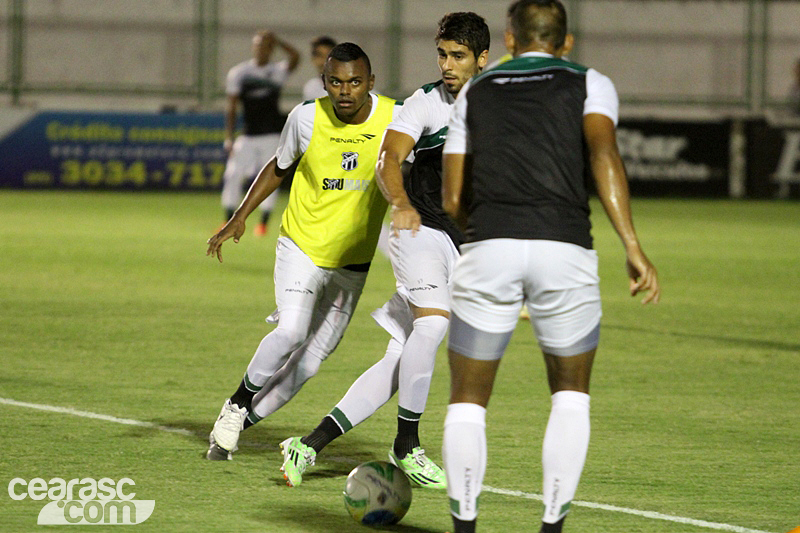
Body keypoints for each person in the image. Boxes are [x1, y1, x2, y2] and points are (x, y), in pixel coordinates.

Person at [440, 2, 661, 533]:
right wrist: (632, 244)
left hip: (487, 246)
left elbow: (451, 197)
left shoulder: (475, 91)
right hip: (565, 249)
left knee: (467, 403)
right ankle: (551, 527)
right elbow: (605, 156)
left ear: (511, 40)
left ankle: (465, 526)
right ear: (566, 42)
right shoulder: (590, 83)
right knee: (569, 396)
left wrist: (488, 238)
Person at [278, 12, 491, 489]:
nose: (447, 64)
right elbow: (388, 159)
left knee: (402, 356)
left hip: (461, 242)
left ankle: (308, 444)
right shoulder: (425, 104)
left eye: (458, 56)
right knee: (433, 324)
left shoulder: (498, 106)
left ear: (482, 58)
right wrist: (399, 202)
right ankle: (406, 444)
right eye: (442, 54)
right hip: (416, 227)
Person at [205, 42, 402, 462]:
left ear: (371, 82)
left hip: (352, 262)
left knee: (308, 366)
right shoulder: (306, 117)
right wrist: (239, 216)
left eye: (354, 82)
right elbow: (279, 166)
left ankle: (237, 424)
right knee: (292, 332)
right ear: (324, 82)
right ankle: (237, 404)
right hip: (301, 245)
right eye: (336, 82)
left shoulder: (395, 118)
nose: (345, 91)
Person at [221, 30, 300, 236]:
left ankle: (263, 223)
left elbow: (296, 57)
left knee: (270, 178)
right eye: (257, 45)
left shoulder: (277, 71)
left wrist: (279, 40)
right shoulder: (240, 73)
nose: (260, 49)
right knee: (232, 174)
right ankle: (227, 219)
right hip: (248, 135)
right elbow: (231, 106)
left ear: (271, 49)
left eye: (265, 45)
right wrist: (229, 136)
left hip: (272, 135)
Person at [302, 36, 337, 101]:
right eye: (320, 56)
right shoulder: (311, 87)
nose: (324, 61)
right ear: (313, 59)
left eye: (328, 56)